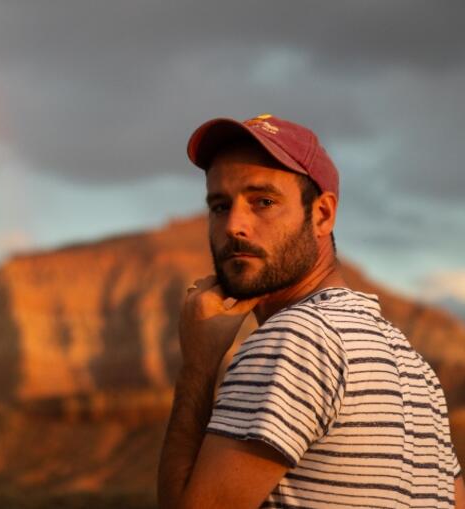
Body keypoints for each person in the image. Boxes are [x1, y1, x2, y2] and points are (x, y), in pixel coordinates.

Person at [157, 113, 464, 508]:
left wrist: (197, 368)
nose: (234, 225)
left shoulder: (294, 340)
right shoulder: (410, 364)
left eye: (263, 202)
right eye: (219, 206)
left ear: (322, 214)